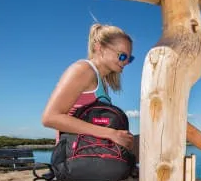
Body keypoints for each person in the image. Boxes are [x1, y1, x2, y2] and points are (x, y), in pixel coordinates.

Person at [41, 23, 137, 156]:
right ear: (100, 47)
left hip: (92, 152)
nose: (126, 62)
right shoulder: (83, 70)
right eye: (122, 56)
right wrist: (111, 133)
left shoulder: (102, 82)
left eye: (130, 58)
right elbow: (50, 118)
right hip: (75, 155)